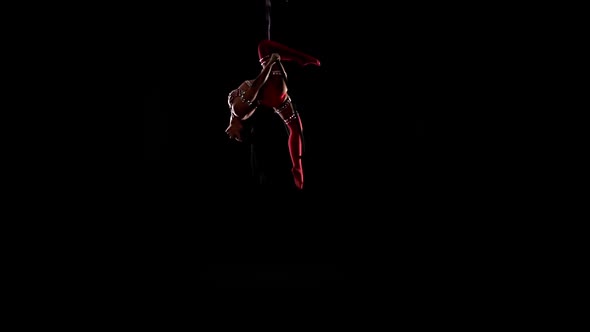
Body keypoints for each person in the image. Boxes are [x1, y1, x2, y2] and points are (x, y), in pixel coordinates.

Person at [225, 39, 320, 192]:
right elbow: (256, 85)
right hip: (273, 89)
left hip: (273, 98)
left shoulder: (236, 111)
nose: (231, 136)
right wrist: (271, 63)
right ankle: (300, 59)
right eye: (236, 136)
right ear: (240, 126)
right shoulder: (238, 110)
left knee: (295, 128)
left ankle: (297, 168)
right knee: (264, 47)